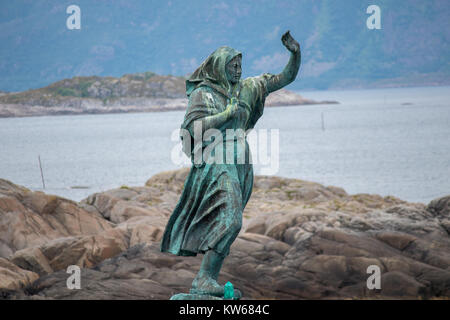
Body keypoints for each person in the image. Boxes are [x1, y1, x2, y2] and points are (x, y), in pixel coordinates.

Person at [161, 30, 301, 298]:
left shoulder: (249, 88)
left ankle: (207, 279)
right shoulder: (204, 94)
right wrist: (226, 114)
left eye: (240, 65)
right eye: (232, 65)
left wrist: (295, 54)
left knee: (231, 221)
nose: (238, 69)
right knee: (232, 219)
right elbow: (192, 129)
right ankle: (204, 278)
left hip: (241, 162)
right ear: (219, 67)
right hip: (216, 160)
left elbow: (285, 78)